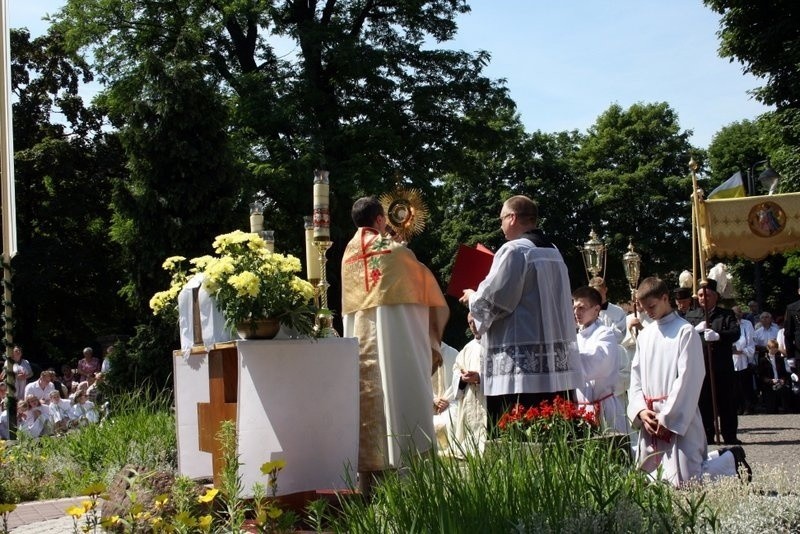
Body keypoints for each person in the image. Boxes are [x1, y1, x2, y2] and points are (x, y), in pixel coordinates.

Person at [341, 196, 449, 497]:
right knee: (398, 400)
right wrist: (404, 249)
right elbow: (424, 287)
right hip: (394, 345)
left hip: (359, 346)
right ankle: (411, 489)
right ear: (379, 220)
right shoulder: (395, 252)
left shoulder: (346, 256)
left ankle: (370, 485)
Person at [460, 195, 581, 428]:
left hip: (519, 370)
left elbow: (496, 299)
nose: (501, 225)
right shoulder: (554, 252)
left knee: (517, 440)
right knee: (556, 433)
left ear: (512, 217)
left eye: (502, 218)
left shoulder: (514, 250)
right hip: (553, 365)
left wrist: (471, 298)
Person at [628, 277, 744, 486]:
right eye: (644, 309)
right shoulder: (645, 336)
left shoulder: (685, 331)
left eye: (652, 306)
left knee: (685, 481)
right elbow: (635, 377)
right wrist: (640, 411)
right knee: (650, 478)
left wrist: (668, 418)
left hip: (677, 414)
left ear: (665, 298)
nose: (649, 313)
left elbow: (690, 377)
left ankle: (730, 460)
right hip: (650, 417)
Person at [685, 279, 741, 445]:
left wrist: (719, 335)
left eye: (707, 295)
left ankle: (730, 435)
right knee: (704, 403)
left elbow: (735, 333)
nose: (703, 298)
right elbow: (682, 337)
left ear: (715, 296)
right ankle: (707, 436)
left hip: (722, 366)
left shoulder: (726, 314)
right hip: (701, 365)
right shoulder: (691, 315)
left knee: (727, 402)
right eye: (701, 295)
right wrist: (694, 331)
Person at [572, 286, 627, 433]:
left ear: (596, 310)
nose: (577, 312)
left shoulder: (605, 334)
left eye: (582, 307)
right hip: (581, 409)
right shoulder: (575, 337)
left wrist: (567, 355)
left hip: (604, 408)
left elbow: (598, 363)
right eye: (575, 308)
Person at [436, 339, 487, 457]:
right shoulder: (467, 348)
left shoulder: (494, 342)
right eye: (470, 322)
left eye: (476, 321)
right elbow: (457, 372)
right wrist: (461, 379)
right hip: (468, 395)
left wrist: (479, 378)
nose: (473, 325)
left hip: (484, 397)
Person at [731, 306, 757, 415]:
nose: (738, 314)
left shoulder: (747, 324)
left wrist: (742, 351)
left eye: (740, 312)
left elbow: (750, 341)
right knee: (733, 386)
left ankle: (748, 406)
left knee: (745, 384)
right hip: (731, 359)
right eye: (736, 313)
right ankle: (736, 407)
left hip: (744, 358)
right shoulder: (729, 323)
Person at [757, 339, 792, 413]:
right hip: (769, 384)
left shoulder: (780, 359)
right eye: (772, 349)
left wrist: (782, 380)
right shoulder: (763, 360)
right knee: (771, 409)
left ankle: (787, 410)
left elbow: (784, 373)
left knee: (785, 392)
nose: (774, 351)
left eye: (775, 349)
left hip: (779, 383)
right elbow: (761, 376)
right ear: (768, 348)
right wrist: (771, 380)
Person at [588, 277, 627, 343]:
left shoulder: (618, 311)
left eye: (599, 292)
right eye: (593, 294)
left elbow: (620, 335)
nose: (596, 296)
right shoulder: (587, 312)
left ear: (605, 290)